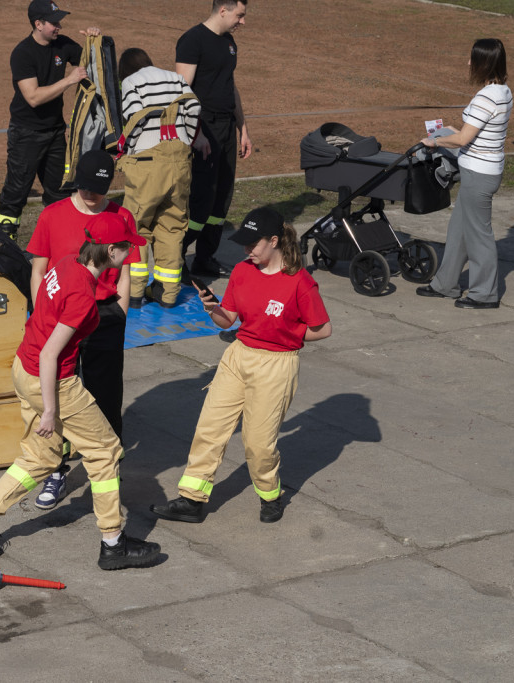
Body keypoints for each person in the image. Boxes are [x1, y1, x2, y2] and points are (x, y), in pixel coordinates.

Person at [0, 213, 161, 571]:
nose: (131, 255)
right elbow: (52, 354)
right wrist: (50, 409)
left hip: (24, 368)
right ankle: (113, 543)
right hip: (52, 380)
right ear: (111, 251)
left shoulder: (66, 264)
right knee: (105, 451)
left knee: (42, 457)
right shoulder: (82, 293)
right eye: (126, 249)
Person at [151, 207, 331, 524]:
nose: (247, 250)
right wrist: (212, 308)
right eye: (245, 244)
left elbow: (323, 328)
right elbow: (228, 319)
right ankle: (191, 500)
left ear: (274, 240)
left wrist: (288, 331)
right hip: (238, 355)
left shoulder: (300, 282)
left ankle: (270, 493)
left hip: (276, 365)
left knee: (258, 443)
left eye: (253, 243)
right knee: (210, 428)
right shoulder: (242, 272)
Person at [25, 150, 140, 509]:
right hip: (62, 317)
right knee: (56, 394)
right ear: (77, 182)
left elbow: (126, 271)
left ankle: (109, 469)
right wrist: (42, 313)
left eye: (100, 189)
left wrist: (120, 312)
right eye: (87, 188)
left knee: (106, 394)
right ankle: (56, 469)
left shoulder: (121, 216)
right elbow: (38, 270)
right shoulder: (52, 215)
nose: (93, 196)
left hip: (103, 316)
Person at [417, 38, 512, 309]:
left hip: (479, 175)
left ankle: (485, 294)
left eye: (473, 59)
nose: (468, 63)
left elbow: (463, 140)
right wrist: (450, 131)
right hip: (483, 170)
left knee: (478, 236)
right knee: (458, 229)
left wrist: (435, 141)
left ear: (484, 63)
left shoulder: (486, 97)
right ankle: (446, 284)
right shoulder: (503, 91)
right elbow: (471, 134)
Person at [0, 1, 100, 236]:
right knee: (16, 191)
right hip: (26, 134)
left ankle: (61, 239)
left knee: (60, 191)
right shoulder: (22, 53)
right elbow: (32, 97)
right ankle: (6, 239)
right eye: (54, 23)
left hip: (55, 133)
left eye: (59, 22)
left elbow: (92, 65)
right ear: (38, 24)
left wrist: (94, 42)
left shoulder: (62, 44)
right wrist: (68, 81)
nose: (59, 27)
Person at [118, 47, 205, 309]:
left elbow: (132, 118)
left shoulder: (131, 82)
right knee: (172, 226)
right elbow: (193, 106)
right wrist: (184, 138)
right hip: (179, 161)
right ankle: (168, 295)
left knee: (136, 227)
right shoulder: (174, 78)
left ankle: (134, 293)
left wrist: (132, 149)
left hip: (147, 161)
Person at [175, 0, 252, 279]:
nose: (242, 22)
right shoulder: (192, 40)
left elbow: (230, 85)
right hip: (202, 129)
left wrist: (243, 128)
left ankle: (205, 257)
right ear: (223, 10)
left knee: (221, 200)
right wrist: (195, 134)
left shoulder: (229, 43)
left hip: (227, 127)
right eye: (239, 15)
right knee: (199, 199)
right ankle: (176, 258)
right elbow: (182, 93)